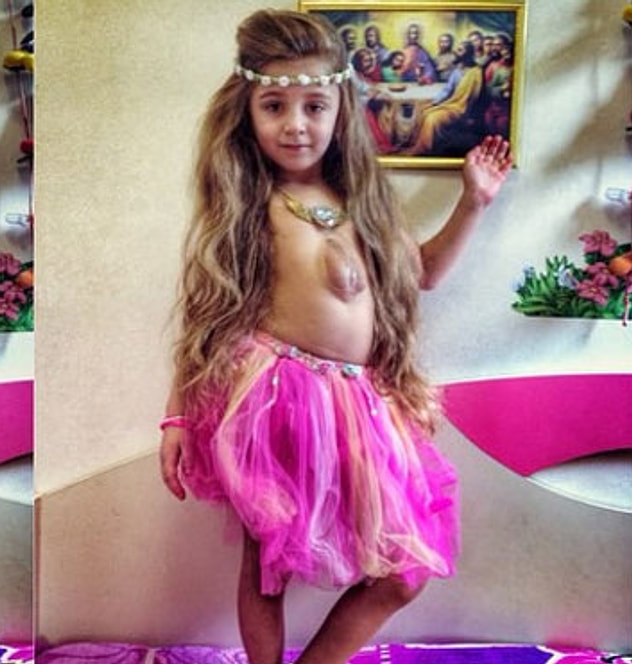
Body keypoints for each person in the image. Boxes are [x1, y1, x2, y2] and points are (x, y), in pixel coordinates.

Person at [157, 10, 511, 664]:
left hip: (358, 405)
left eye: (314, 106)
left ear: (340, 109)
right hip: (274, 400)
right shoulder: (249, 203)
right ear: (247, 113)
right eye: (274, 106)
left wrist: (474, 201)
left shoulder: (364, 203)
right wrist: (177, 415)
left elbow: (425, 273)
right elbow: (206, 314)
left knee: (403, 571)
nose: (296, 124)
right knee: (268, 560)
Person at [407, 41, 486, 155]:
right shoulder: (457, 71)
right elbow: (447, 90)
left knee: (432, 118)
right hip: (452, 104)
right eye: (457, 49)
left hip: (464, 110)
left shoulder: (476, 72)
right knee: (423, 111)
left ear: (468, 53)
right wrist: (434, 102)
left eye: (460, 50)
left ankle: (427, 148)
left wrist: (473, 115)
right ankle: (422, 145)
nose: (456, 52)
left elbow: (479, 97)